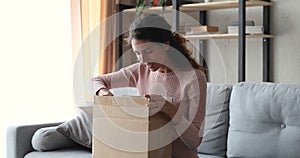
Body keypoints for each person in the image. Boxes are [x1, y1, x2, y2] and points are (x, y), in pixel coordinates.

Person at [90, 14, 206, 158]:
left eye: (148, 51)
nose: (143, 60)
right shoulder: (140, 71)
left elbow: (194, 142)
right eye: (137, 53)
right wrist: (104, 93)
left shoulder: (193, 77)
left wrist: (170, 110)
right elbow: (97, 81)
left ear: (166, 45)